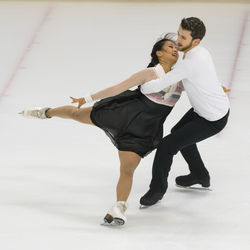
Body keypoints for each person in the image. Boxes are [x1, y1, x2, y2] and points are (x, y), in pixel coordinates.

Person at [20, 34, 183, 225]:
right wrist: (87, 98)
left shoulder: (180, 77)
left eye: (176, 48)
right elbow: (117, 88)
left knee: (127, 169)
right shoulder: (150, 73)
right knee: (76, 114)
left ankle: (119, 207)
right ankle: (46, 112)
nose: (175, 50)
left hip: (145, 130)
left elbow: (199, 87)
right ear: (159, 53)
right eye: (170, 47)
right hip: (123, 114)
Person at [139, 17, 230, 207]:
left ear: (195, 41)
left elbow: (159, 85)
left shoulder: (189, 63)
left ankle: (156, 190)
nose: (177, 40)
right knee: (178, 134)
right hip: (207, 109)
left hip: (212, 118)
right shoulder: (199, 53)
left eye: (183, 37)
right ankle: (200, 175)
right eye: (178, 34)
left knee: (166, 146)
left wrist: (142, 87)